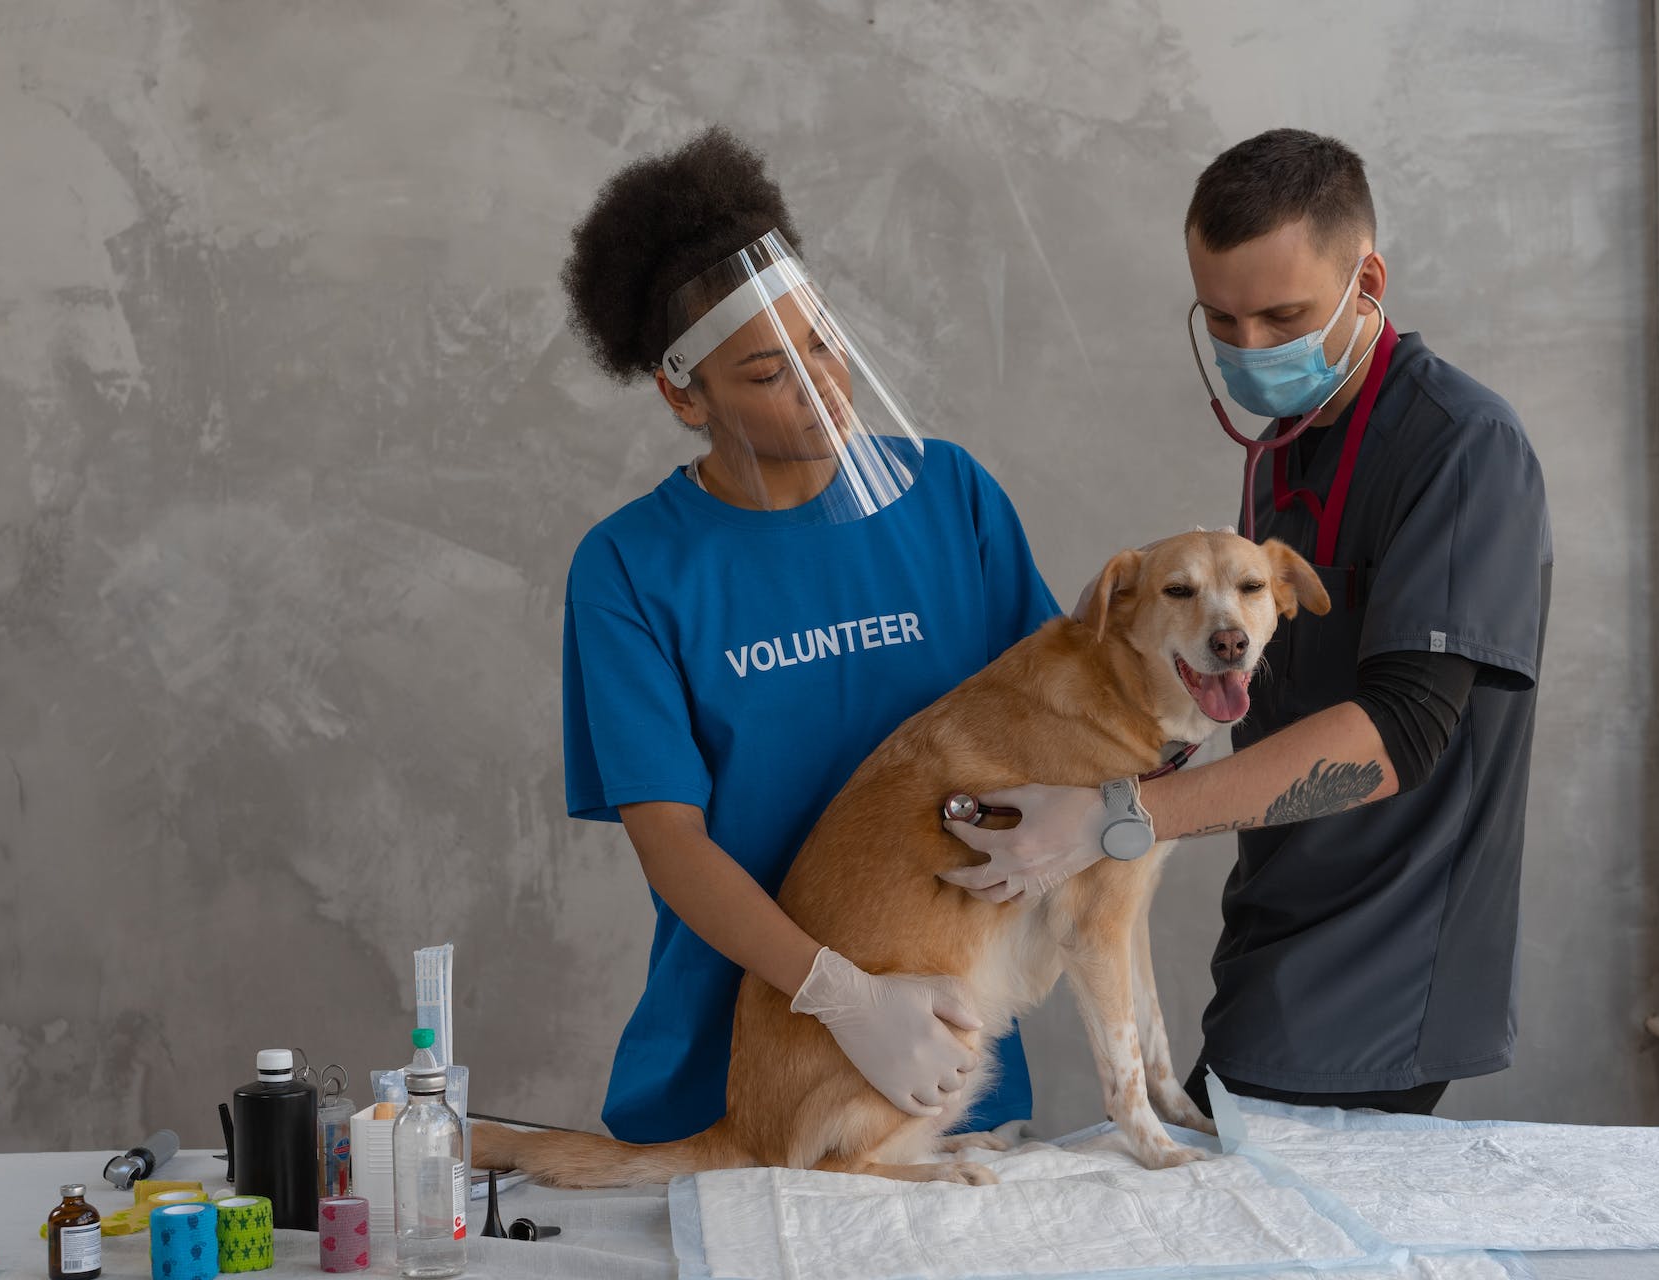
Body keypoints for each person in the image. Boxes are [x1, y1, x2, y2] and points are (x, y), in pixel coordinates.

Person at [943, 129, 1552, 1116]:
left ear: (1368, 281)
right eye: (1223, 320)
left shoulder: (1464, 447)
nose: (1254, 350)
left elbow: (1402, 730)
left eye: (1284, 315)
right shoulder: (1279, 453)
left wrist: (1115, 820)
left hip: (1385, 962)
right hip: (1273, 930)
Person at [559, 127, 1063, 1144]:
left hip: (942, 1079)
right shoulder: (631, 568)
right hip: (736, 1092)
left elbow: (1061, 722)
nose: (821, 382)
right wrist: (841, 997)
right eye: (767, 372)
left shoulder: (948, 495)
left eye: (824, 340)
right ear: (682, 391)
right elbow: (674, 846)